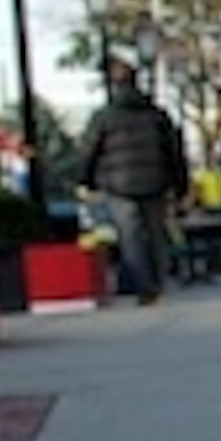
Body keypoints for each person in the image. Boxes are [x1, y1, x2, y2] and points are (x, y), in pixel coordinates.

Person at [75, 56, 188, 305]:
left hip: (119, 186)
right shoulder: (157, 115)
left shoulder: (104, 117)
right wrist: (180, 185)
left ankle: (145, 287)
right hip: (155, 183)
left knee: (131, 238)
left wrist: (84, 180)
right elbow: (174, 152)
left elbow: (89, 150)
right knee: (157, 235)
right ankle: (158, 282)